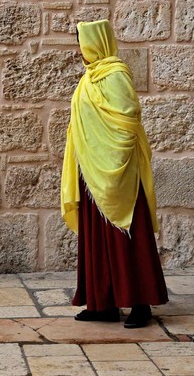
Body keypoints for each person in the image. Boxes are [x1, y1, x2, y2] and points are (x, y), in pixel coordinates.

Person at [61, 19, 168, 328]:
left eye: (83, 43)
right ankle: (102, 304)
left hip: (118, 174)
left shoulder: (115, 74)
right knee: (97, 239)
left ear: (97, 42)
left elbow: (128, 118)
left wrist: (113, 159)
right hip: (91, 171)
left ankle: (140, 305)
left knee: (128, 238)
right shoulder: (88, 78)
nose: (80, 50)